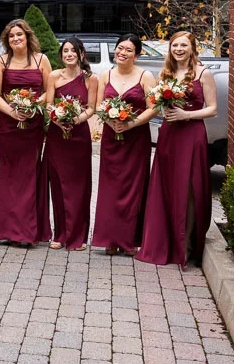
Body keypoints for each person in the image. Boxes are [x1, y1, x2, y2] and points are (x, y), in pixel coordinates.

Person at [137, 31, 217, 269]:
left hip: (192, 135)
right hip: (169, 133)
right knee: (166, 185)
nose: (179, 49)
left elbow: (212, 109)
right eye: (175, 45)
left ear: (193, 48)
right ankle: (164, 242)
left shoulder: (204, 73)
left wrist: (187, 115)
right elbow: (158, 104)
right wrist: (163, 109)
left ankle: (186, 246)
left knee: (189, 188)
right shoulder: (167, 73)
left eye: (184, 45)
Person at [91, 34, 157, 256]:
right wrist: (110, 121)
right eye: (120, 48)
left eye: (129, 50)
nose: (122, 53)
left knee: (133, 187)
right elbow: (99, 105)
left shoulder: (145, 76)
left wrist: (131, 124)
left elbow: (153, 108)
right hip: (112, 138)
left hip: (136, 138)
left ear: (137, 55)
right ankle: (110, 238)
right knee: (110, 188)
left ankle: (129, 240)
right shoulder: (105, 74)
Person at [0, 19, 53, 245]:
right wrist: (12, 111)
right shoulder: (1, 62)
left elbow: (49, 91)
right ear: (7, 40)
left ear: (28, 37)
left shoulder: (41, 59)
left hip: (33, 125)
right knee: (10, 175)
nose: (16, 39)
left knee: (30, 174)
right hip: (9, 126)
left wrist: (33, 105)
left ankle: (29, 231)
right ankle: (9, 230)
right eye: (11, 36)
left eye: (20, 35)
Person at [42, 37, 97, 251]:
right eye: (65, 51)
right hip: (57, 136)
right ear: (61, 55)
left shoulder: (90, 79)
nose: (69, 54)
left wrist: (75, 120)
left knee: (79, 186)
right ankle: (60, 233)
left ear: (81, 54)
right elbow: (48, 104)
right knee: (58, 185)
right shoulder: (54, 76)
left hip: (79, 135)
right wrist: (56, 119)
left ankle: (79, 236)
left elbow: (91, 107)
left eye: (73, 50)